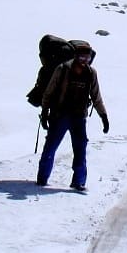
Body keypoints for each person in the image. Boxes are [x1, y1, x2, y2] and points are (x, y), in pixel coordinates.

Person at [37, 41, 109, 191]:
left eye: (87, 58)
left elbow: (96, 96)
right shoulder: (63, 69)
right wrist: (44, 113)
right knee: (50, 148)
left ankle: (79, 182)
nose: (84, 61)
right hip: (59, 115)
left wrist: (103, 116)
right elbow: (49, 93)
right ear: (76, 56)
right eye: (82, 58)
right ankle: (42, 179)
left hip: (79, 117)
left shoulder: (91, 73)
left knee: (80, 149)